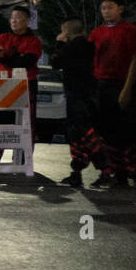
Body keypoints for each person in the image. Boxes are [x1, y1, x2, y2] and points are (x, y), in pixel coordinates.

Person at [87, 0, 136, 187]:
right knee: (107, 131)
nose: (106, 11)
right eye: (103, 8)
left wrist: (127, 89)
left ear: (120, 9)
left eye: (110, 7)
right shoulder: (96, 33)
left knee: (129, 130)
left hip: (124, 84)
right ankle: (116, 172)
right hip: (102, 85)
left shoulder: (130, 31)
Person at [0, 5, 42, 163]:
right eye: (12, 17)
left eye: (18, 17)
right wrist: (15, 56)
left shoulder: (34, 41)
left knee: (26, 123)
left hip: (27, 85)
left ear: (27, 20)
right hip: (4, 85)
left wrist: (7, 55)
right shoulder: (2, 37)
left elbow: (27, 61)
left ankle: (24, 159)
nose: (14, 20)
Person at [49, 19, 103, 187]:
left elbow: (55, 63)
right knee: (85, 131)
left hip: (75, 95)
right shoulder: (90, 46)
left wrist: (59, 43)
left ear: (67, 31)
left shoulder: (70, 47)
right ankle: (78, 172)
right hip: (90, 94)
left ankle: (104, 168)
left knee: (80, 133)